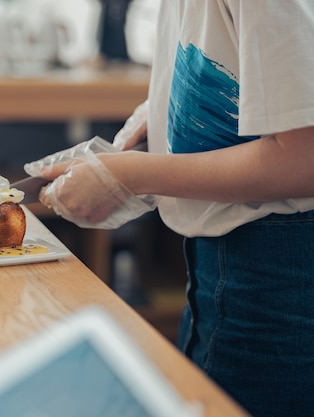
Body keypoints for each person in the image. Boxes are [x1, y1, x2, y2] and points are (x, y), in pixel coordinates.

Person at [23, 2, 314, 416]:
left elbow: (304, 160)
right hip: (220, 272)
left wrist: (134, 175)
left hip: (275, 278)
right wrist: (164, 111)